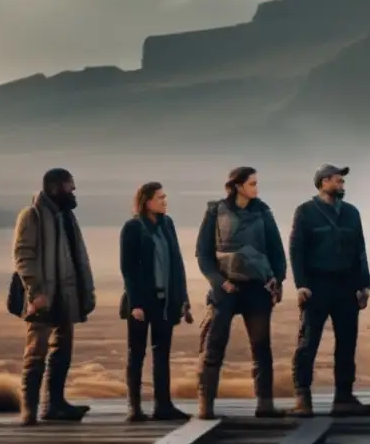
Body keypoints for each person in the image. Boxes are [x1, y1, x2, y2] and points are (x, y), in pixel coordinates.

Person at [195, 166, 287, 420]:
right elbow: (203, 254)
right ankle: (205, 406)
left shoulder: (263, 212)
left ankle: (265, 404)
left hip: (257, 289)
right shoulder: (215, 211)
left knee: (261, 348)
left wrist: (277, 281)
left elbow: (277, 252)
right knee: (213, 346)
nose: (256, 189)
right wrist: (218, 282)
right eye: (252, 184)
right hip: (226, 290)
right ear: (238, 186)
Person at [11, 168, 96, 426]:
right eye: (70, 186)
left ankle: (55, 405)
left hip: (66, 295)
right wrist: (35, 292)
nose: (74, 191)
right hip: (43, 297)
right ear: (56, 187)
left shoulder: (67, 217)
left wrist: (86, 293)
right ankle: (29, 410)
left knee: (63, 350)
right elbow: (24, 255)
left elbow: (78, 257)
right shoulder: (32, 215)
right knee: (36, 352)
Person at [289, 164, 370, 417]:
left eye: (342, 182)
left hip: (346, 286)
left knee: (347, 342)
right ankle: (303, 397)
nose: (342, 185)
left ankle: (344, 397)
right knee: (308, 342)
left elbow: (360, 250)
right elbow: (297, 250)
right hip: (317, 286)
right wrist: (301, 284)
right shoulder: (305, 212)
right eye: (338, 181)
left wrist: (363, 285)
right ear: (323, 182)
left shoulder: (351, 213)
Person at [119, 182, 193, 422]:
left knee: (162, 354)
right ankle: (135, 408)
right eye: (160, 197)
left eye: (165, 197)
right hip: (142, 302)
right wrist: (136, 304)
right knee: (136, 354)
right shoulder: (132, 228)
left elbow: (177, 263)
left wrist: (183, 298)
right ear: (147, 201)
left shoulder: (167, 225)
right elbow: (128, 269)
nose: (164, 201)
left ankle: (163, 405)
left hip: (165, 301)